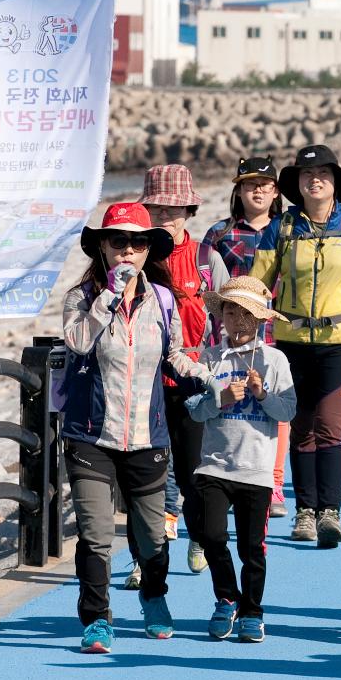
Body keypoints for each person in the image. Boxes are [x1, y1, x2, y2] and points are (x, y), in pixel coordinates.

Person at [60, 202, 217, 653]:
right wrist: (108, 298)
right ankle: (97, 618)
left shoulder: (162, 299)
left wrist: (208, 376)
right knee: (95, 533)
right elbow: (77, 342)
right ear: (104, 248)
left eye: (138, 242)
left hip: (148, 435)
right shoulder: (82, 296)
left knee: (151, 535)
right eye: (119, 241)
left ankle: (153, 597)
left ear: (149, 250)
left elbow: (173, 354)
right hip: (91, 434)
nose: (128, 250)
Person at [250, 145, 341, 547]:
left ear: (335, 182)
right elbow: (259, 285)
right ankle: (305, 512)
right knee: (301, 429)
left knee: (329, 427)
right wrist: (246, 331)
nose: (315, 180)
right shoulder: (282, 228)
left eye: (324, 173)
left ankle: (331, 512)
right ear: (296, 184)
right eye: (307, 174)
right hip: (292, 342)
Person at [186, 277, 297, 644]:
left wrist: (261, 394)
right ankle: (225, 598)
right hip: (214, 465)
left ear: (260, 319)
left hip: (256, 469)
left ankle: (252, 610)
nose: (236, 319)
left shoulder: (274, 359)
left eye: (244, 312)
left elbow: (287, 412)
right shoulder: (210, 358)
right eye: (229, 311)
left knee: (252, 547)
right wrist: (221, 399)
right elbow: (196, 413)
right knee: (211, 536)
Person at [198, 157, 290, 524]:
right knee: (229, 404)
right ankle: (228, 475)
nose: (258, 190)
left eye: (265, 184)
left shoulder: (288, 230)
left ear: (276, 191)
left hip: (274, 333)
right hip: (227, 333)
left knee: (275, 407)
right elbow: (208, 286)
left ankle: (274, 481)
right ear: (238, 190)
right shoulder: (219, 234)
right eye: (250, 184)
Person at [135, 164, 210, 583]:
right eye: (158, 207)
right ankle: (146, 558)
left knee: (192, 468)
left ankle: (200, 535)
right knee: (146, 470)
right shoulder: (136, 253)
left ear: (188, 209)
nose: (166, 215)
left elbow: (224, 317)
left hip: (191, 376)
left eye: (174, 207)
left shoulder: (204, 257)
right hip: (142, 375)